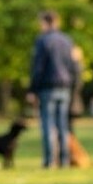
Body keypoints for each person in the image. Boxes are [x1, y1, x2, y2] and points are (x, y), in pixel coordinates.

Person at [26, 10, 78, 168]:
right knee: (63, 125)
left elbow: (38, 68)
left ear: (46, 22)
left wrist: (32, 89)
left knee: (48, 124)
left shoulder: (43, 41)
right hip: (65, 87)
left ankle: (49, 161)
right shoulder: (67, 40)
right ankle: (64, 160)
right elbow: (73, 65)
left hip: (48, 87)